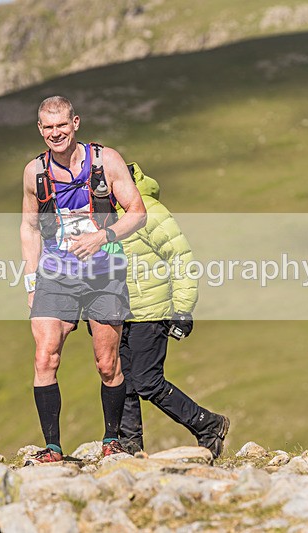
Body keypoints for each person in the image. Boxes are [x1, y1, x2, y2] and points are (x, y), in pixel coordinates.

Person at [20, 96, 147, 464]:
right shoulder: (35, 172)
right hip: (55, 275)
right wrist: (31, 281)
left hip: (104, 272)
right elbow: (29, 227)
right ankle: (53, 449)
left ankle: (111, 439)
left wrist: (102, 237)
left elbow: (136, 213)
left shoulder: (105, 161)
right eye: (48, 127)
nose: (55, 133)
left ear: (75, 123)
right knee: (45, 357)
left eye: (62, 125)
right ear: (40, 129)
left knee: (107, 363)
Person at [116, 162, 230, 458]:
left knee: (146, 382)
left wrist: (182, 310)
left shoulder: (149, 211)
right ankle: (130, 444)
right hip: (119, 313)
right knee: (121, 378)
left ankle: (208, 424)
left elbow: (181, 258)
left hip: (152, 310)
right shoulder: (105, 214)